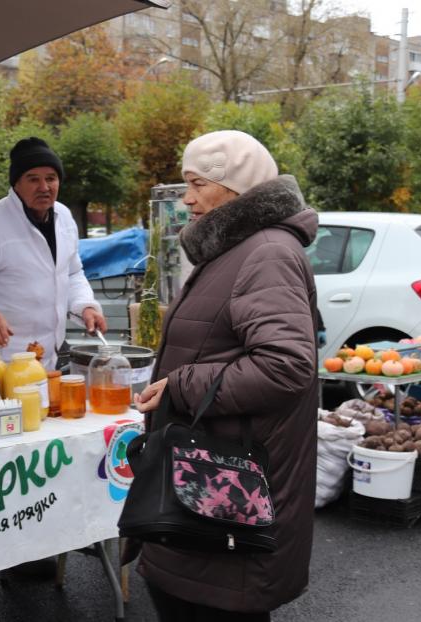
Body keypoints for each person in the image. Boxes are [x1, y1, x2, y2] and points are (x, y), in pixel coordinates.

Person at [133, 130, 318, 621]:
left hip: (228, 497)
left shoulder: (267, 253)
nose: (187, 197)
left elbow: (286, 365)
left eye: (197, 184)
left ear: (236, 188)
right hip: (205, 489)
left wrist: (182, 384)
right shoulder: (235, 248)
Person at [0, 137, 106, 369]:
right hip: (2, 362)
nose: (44, 187)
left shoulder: (64, 218)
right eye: (33, 179)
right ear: (16, 184)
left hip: (50, 358)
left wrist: (85, 306)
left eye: (51, 178)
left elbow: (71, 274)